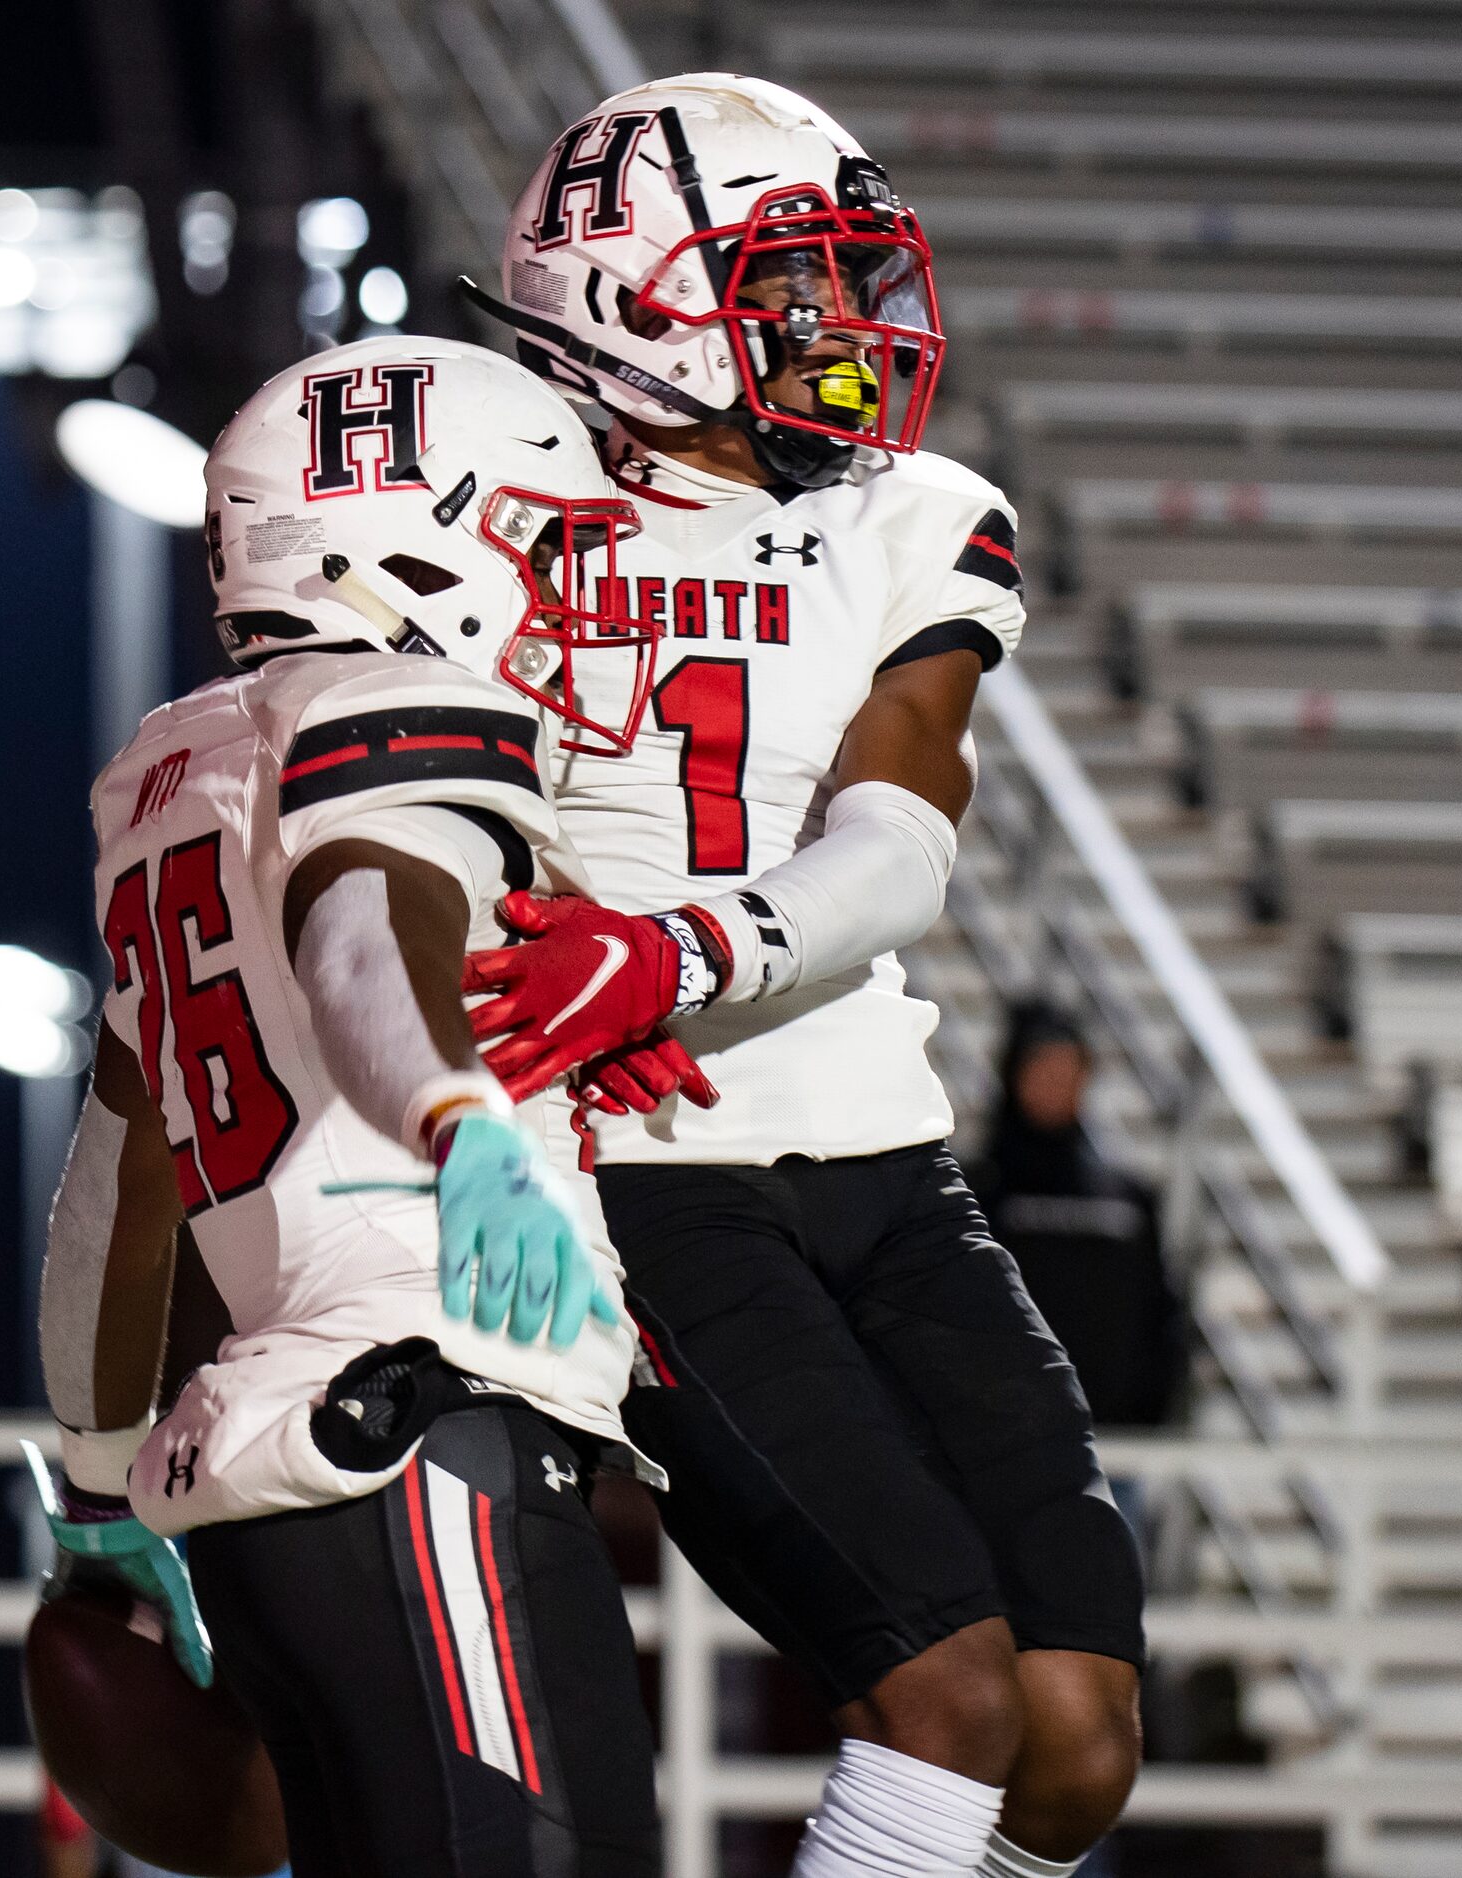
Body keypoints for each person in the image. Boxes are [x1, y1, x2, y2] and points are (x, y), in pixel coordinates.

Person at [458, 74, 1146, 1878]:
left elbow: (900, 818)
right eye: (794, 283)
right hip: (644, 1181)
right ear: (639, 297)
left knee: (1072, 1745)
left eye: (846, 280)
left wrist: (678, 950)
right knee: (947, 1700)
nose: (845, 327)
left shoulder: (909, 512)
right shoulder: (477, 506)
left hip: (878, 1151)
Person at [24, 336, 674, 1877]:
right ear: (397, 543)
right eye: (534, 538)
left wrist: (105, 1491)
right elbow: (361, 928)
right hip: (418, 1432)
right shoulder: (393, 705)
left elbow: (115, 1194)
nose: (565, 597)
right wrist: (456, 1114)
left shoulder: (168, 782)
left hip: (261, 1489)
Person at [970, 1006, 1186, 1442]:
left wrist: (1150, 1417)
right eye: (1044, 1068)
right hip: (998, 1444)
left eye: (1069, 1070)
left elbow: (1159, 1315)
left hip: (1114, 1446)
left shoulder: (1126, 1199)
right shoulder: (972, 1193)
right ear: (1014, 1073)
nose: (1057, 1083)